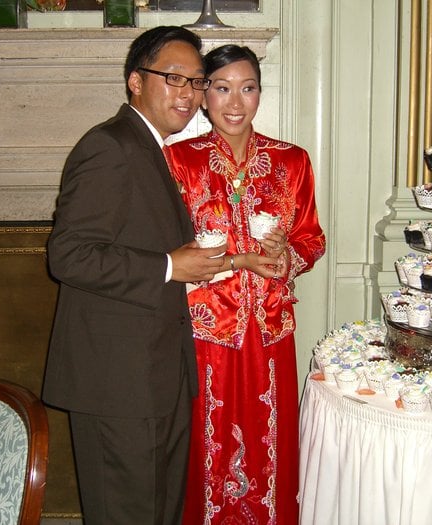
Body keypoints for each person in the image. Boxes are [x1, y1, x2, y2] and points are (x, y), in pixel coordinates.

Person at [42, 26, 227, 524]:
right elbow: (69, 255)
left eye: (196, 81)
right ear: (135, 81)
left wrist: (199, 263)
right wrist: (169, 266)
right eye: (173, 77)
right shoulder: (110, 146)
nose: (188, 93)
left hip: (157, 374)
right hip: (118, 382)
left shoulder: (151, 148)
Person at [166, 44, 326, 524]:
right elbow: (165, 247)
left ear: (260, 93)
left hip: (269, 330)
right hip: (205, 331)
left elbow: (312, 237)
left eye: (247, 88)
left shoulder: (291, 161)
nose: (235, 103)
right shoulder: (178, 161)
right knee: (206, 447)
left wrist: (286, 256)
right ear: (203, 95)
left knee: (268, 442)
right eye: (222, 88)